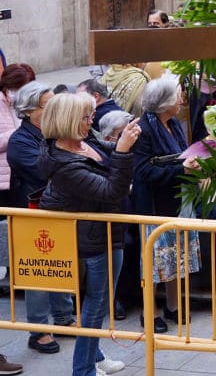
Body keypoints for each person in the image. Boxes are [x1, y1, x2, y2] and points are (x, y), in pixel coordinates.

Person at [39, 92, 142, 376]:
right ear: (69, 120)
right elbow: (112, 191)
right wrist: (123, 150)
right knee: (96, 303)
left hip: (106, 229)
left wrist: (127, 140)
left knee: (99, 301)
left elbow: (111, 158)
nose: (91, 121)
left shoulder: (83, 142)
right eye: (87, 117)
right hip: (93, 238)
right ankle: (83, 369)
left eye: (91, 115)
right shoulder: (63, 162)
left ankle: (94, 356)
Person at [132, 74, 202, 333]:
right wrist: (182, 169)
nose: (182, 98)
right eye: (177, 95)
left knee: (178, 255)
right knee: (153, 260)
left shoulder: (173, 123)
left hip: (178, 199)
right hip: (154, 204)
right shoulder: (143, 129)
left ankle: (173, 305)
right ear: (165, 102)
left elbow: (181, 156)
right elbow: (142, 172)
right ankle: (148, 312)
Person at [10, 82, 74, 354]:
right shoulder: (20, 140)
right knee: (37, 270)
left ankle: (64, 317)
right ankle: (38, 330)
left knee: (61, 264)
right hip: (32, 212)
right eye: (48, 106)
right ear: (28, 110)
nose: (54, 110)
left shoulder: (53, 132)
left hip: (58, 207)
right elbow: (45, 171)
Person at [0, 64, 36, 208]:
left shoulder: (25, 104)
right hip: (4, 176)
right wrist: (20, 133)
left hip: (21, 173)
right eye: (17, 89)